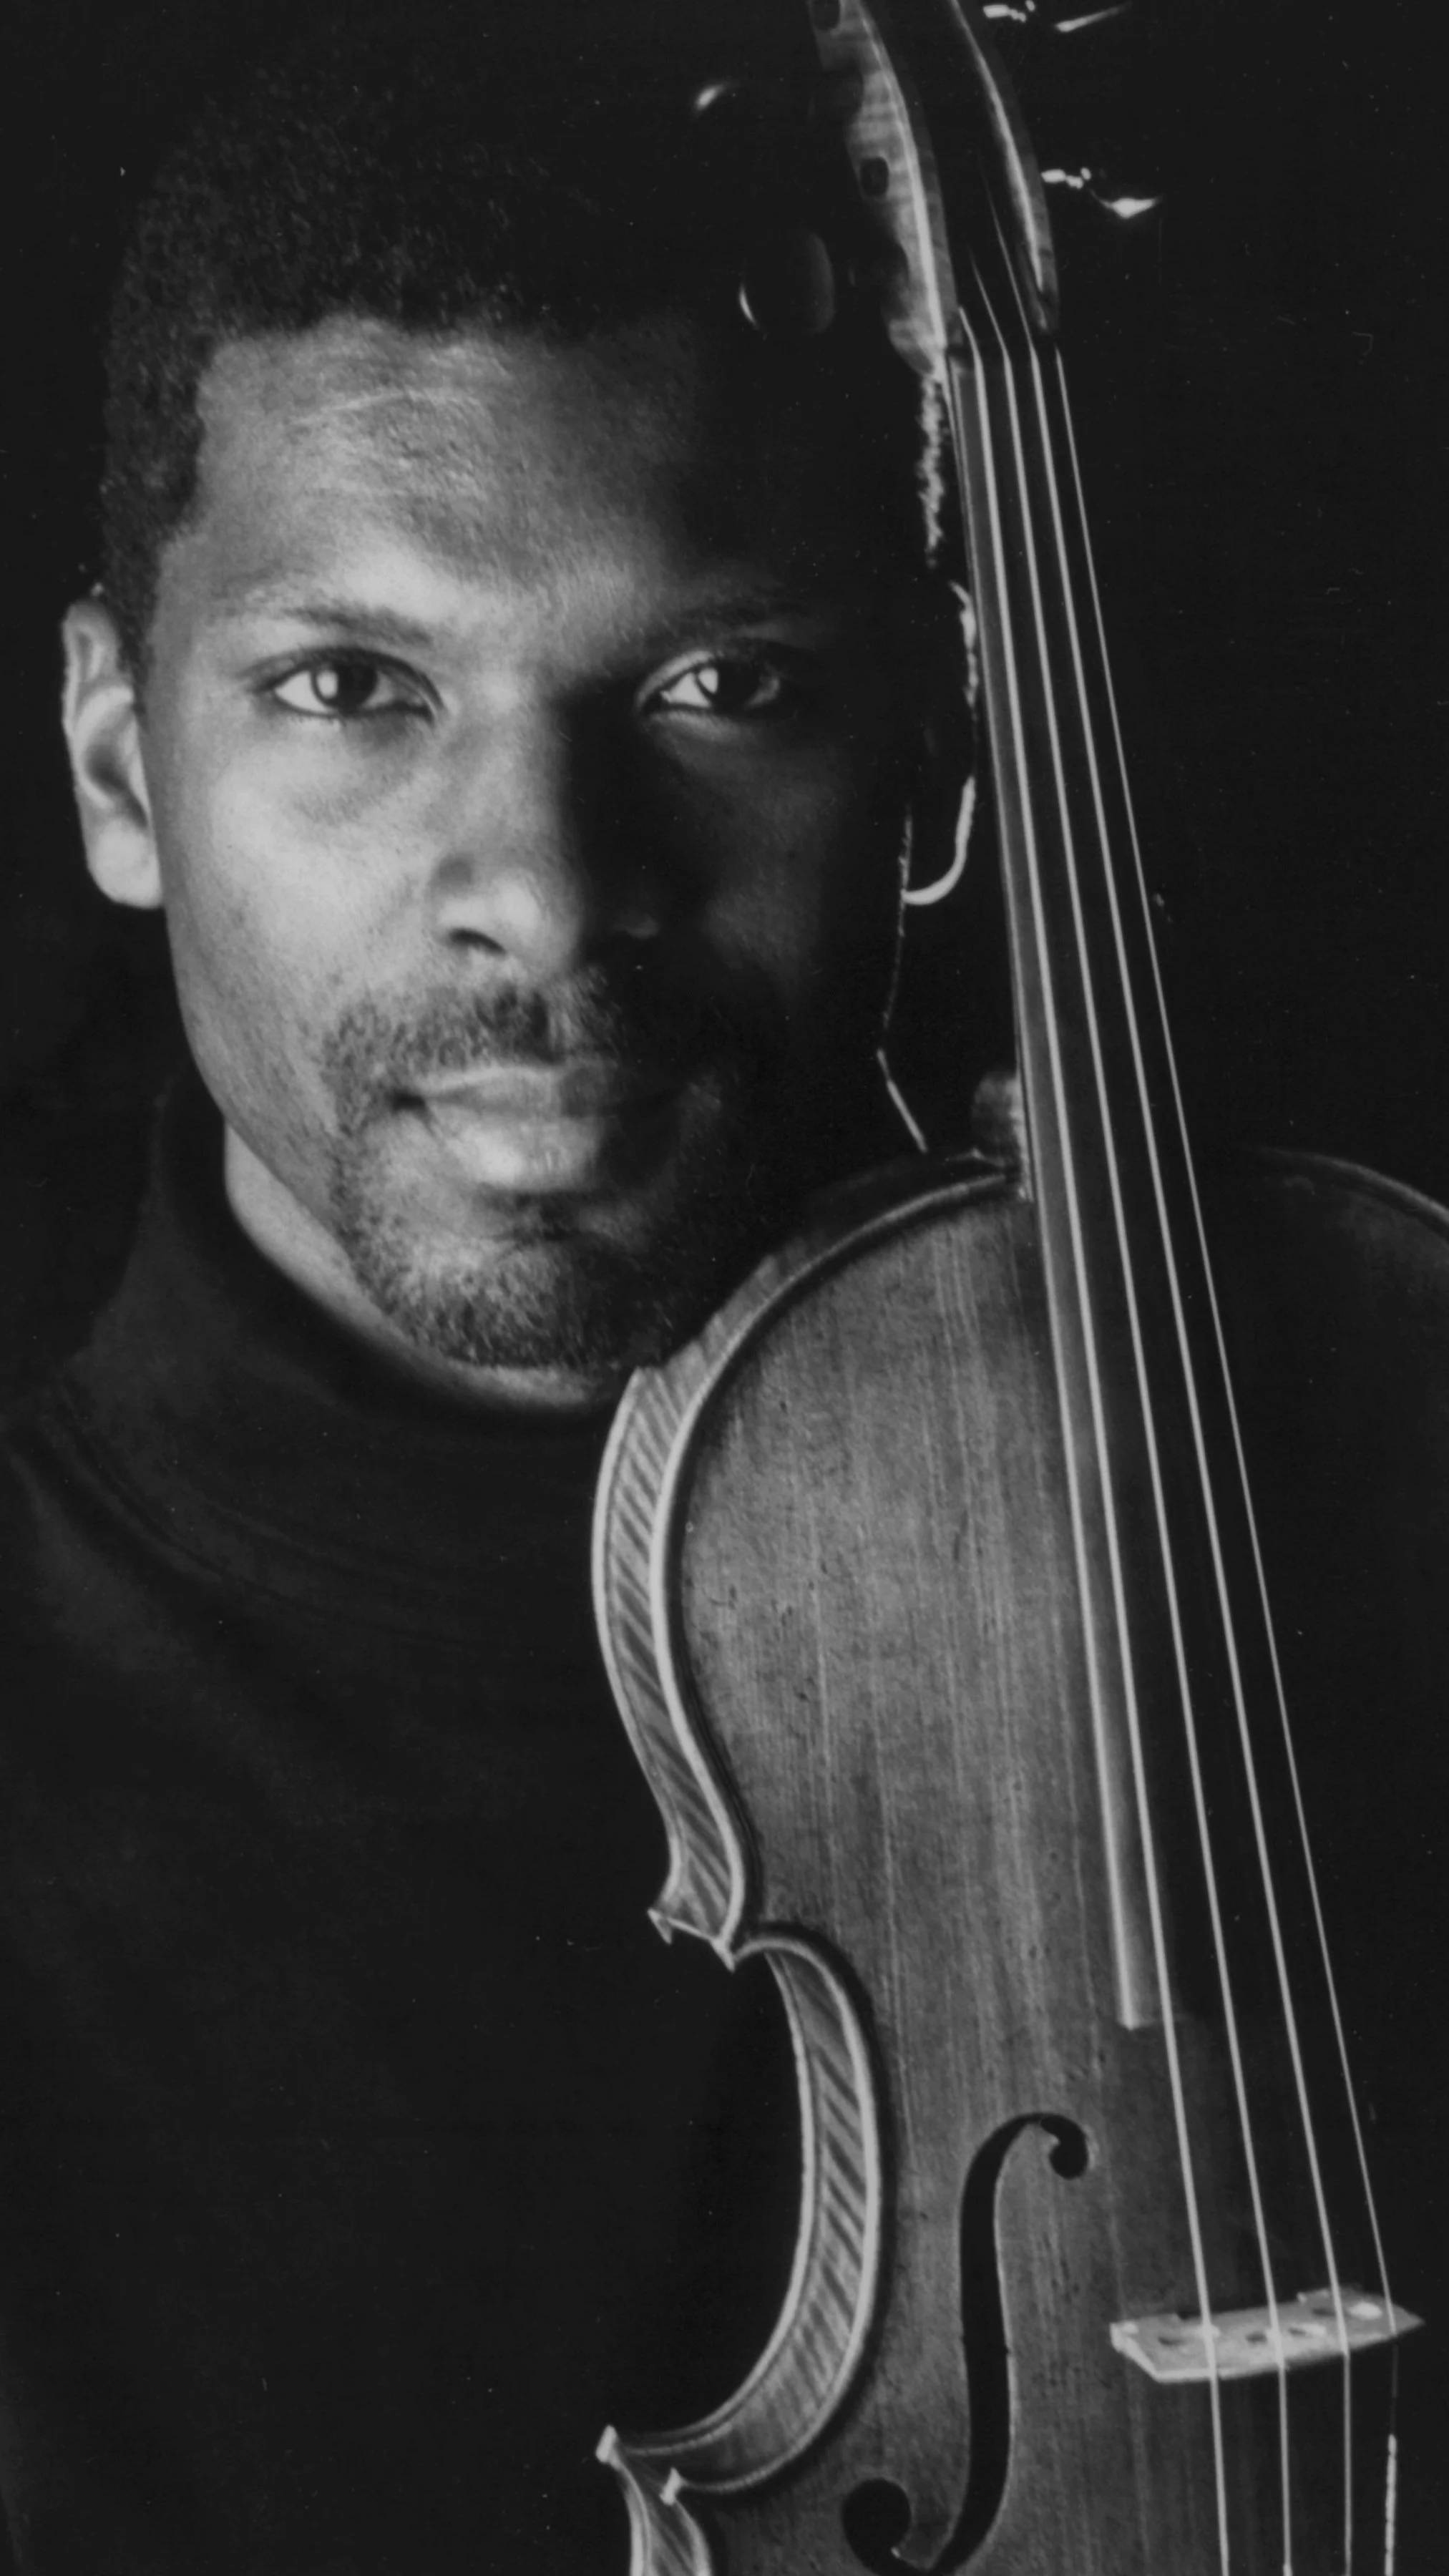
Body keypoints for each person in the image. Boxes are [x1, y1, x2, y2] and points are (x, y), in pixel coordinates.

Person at [0, 6, 970, 2566]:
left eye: (723, 685)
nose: (546, 888)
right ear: (117, 765)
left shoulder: (1319, 1516)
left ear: (941, 753)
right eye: (354, 688)